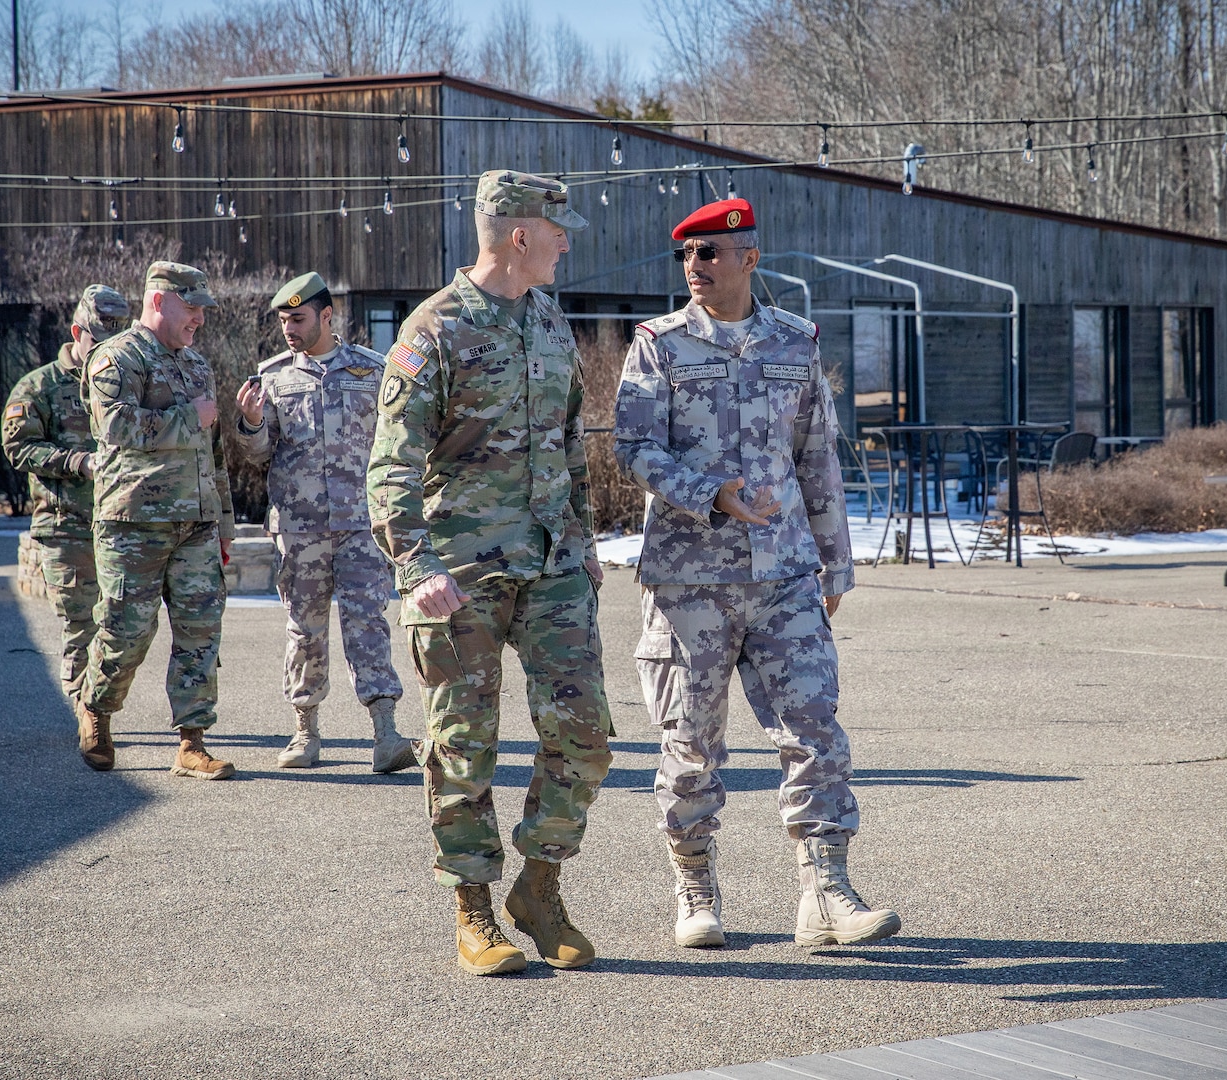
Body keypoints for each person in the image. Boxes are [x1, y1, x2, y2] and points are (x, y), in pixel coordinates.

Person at [613, 197, 900, 950]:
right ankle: (695, 885)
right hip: (689, 580)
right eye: (687, 255)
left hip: (786, 576)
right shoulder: (659, 345)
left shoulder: (794, 342)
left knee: (814, 729)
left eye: (711, 252)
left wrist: (836, 557)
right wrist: (711, 494)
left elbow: (816, 457)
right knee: (692, 745)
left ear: (750, 257)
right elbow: (633, 448)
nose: (695, 267)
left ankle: (826, 891)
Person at [367, 170, 613, 977]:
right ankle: (473, 909)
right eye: (557, 229)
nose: (566, 241)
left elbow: (572, 443)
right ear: (519, 236)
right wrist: (415, 567)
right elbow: (389, 468)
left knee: (584, 736)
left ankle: (539, 887)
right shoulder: (433, 330)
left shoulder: (548, 320)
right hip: (461, 571)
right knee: (461, 745)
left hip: (552, 567)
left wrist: (580, 542)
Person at [230, 272, 418, 773]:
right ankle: (305, 732)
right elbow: (258, 454)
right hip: (300, 527)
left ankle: (386, 734)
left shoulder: (372, 371)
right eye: (284, 321)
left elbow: (395, 443)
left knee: (369, 623)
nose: (289, 329)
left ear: (327, 316)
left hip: (361, 524)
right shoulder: (272, 377)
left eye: (298, 319)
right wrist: (249, 424)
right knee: (304, 630)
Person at [74, 261, 236, 781]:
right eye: (192, 308)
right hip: (134, 524)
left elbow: (214, 453)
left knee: (200, 633)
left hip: (196, 524)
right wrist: (192, 417)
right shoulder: (117, 357)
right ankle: (95, 711)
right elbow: (114, 423)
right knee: (127, 632)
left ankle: (192, 741)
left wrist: (225, 522)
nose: (199, 320)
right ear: (159, 301)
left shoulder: (196, 365)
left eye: (202, 310)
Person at [1, 284, 130, 701]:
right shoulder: (40, 387)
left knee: (118, 624)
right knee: (81, 623)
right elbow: (18, 447)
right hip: (66, 526)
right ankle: (84, 712)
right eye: (98, 340)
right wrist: (79, 462)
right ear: (77, 334)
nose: (107, 351)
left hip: (117, 524)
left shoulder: (123, 381)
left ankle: (98, 706)